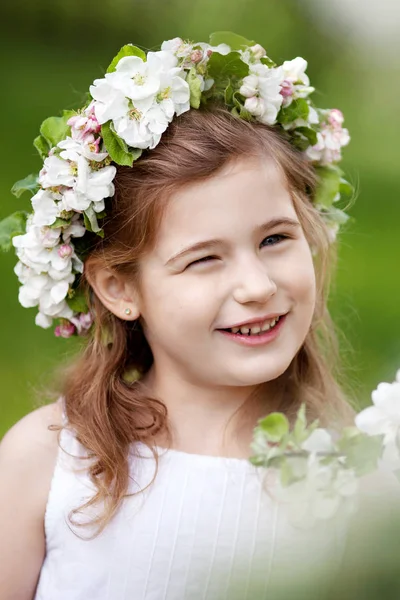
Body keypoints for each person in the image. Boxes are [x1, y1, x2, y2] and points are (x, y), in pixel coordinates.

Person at [0, 34, 355, 599]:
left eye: (275, 239)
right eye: (205, 259)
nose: (258, 286)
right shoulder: (50, 462)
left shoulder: (351, 480)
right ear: (120, 287)